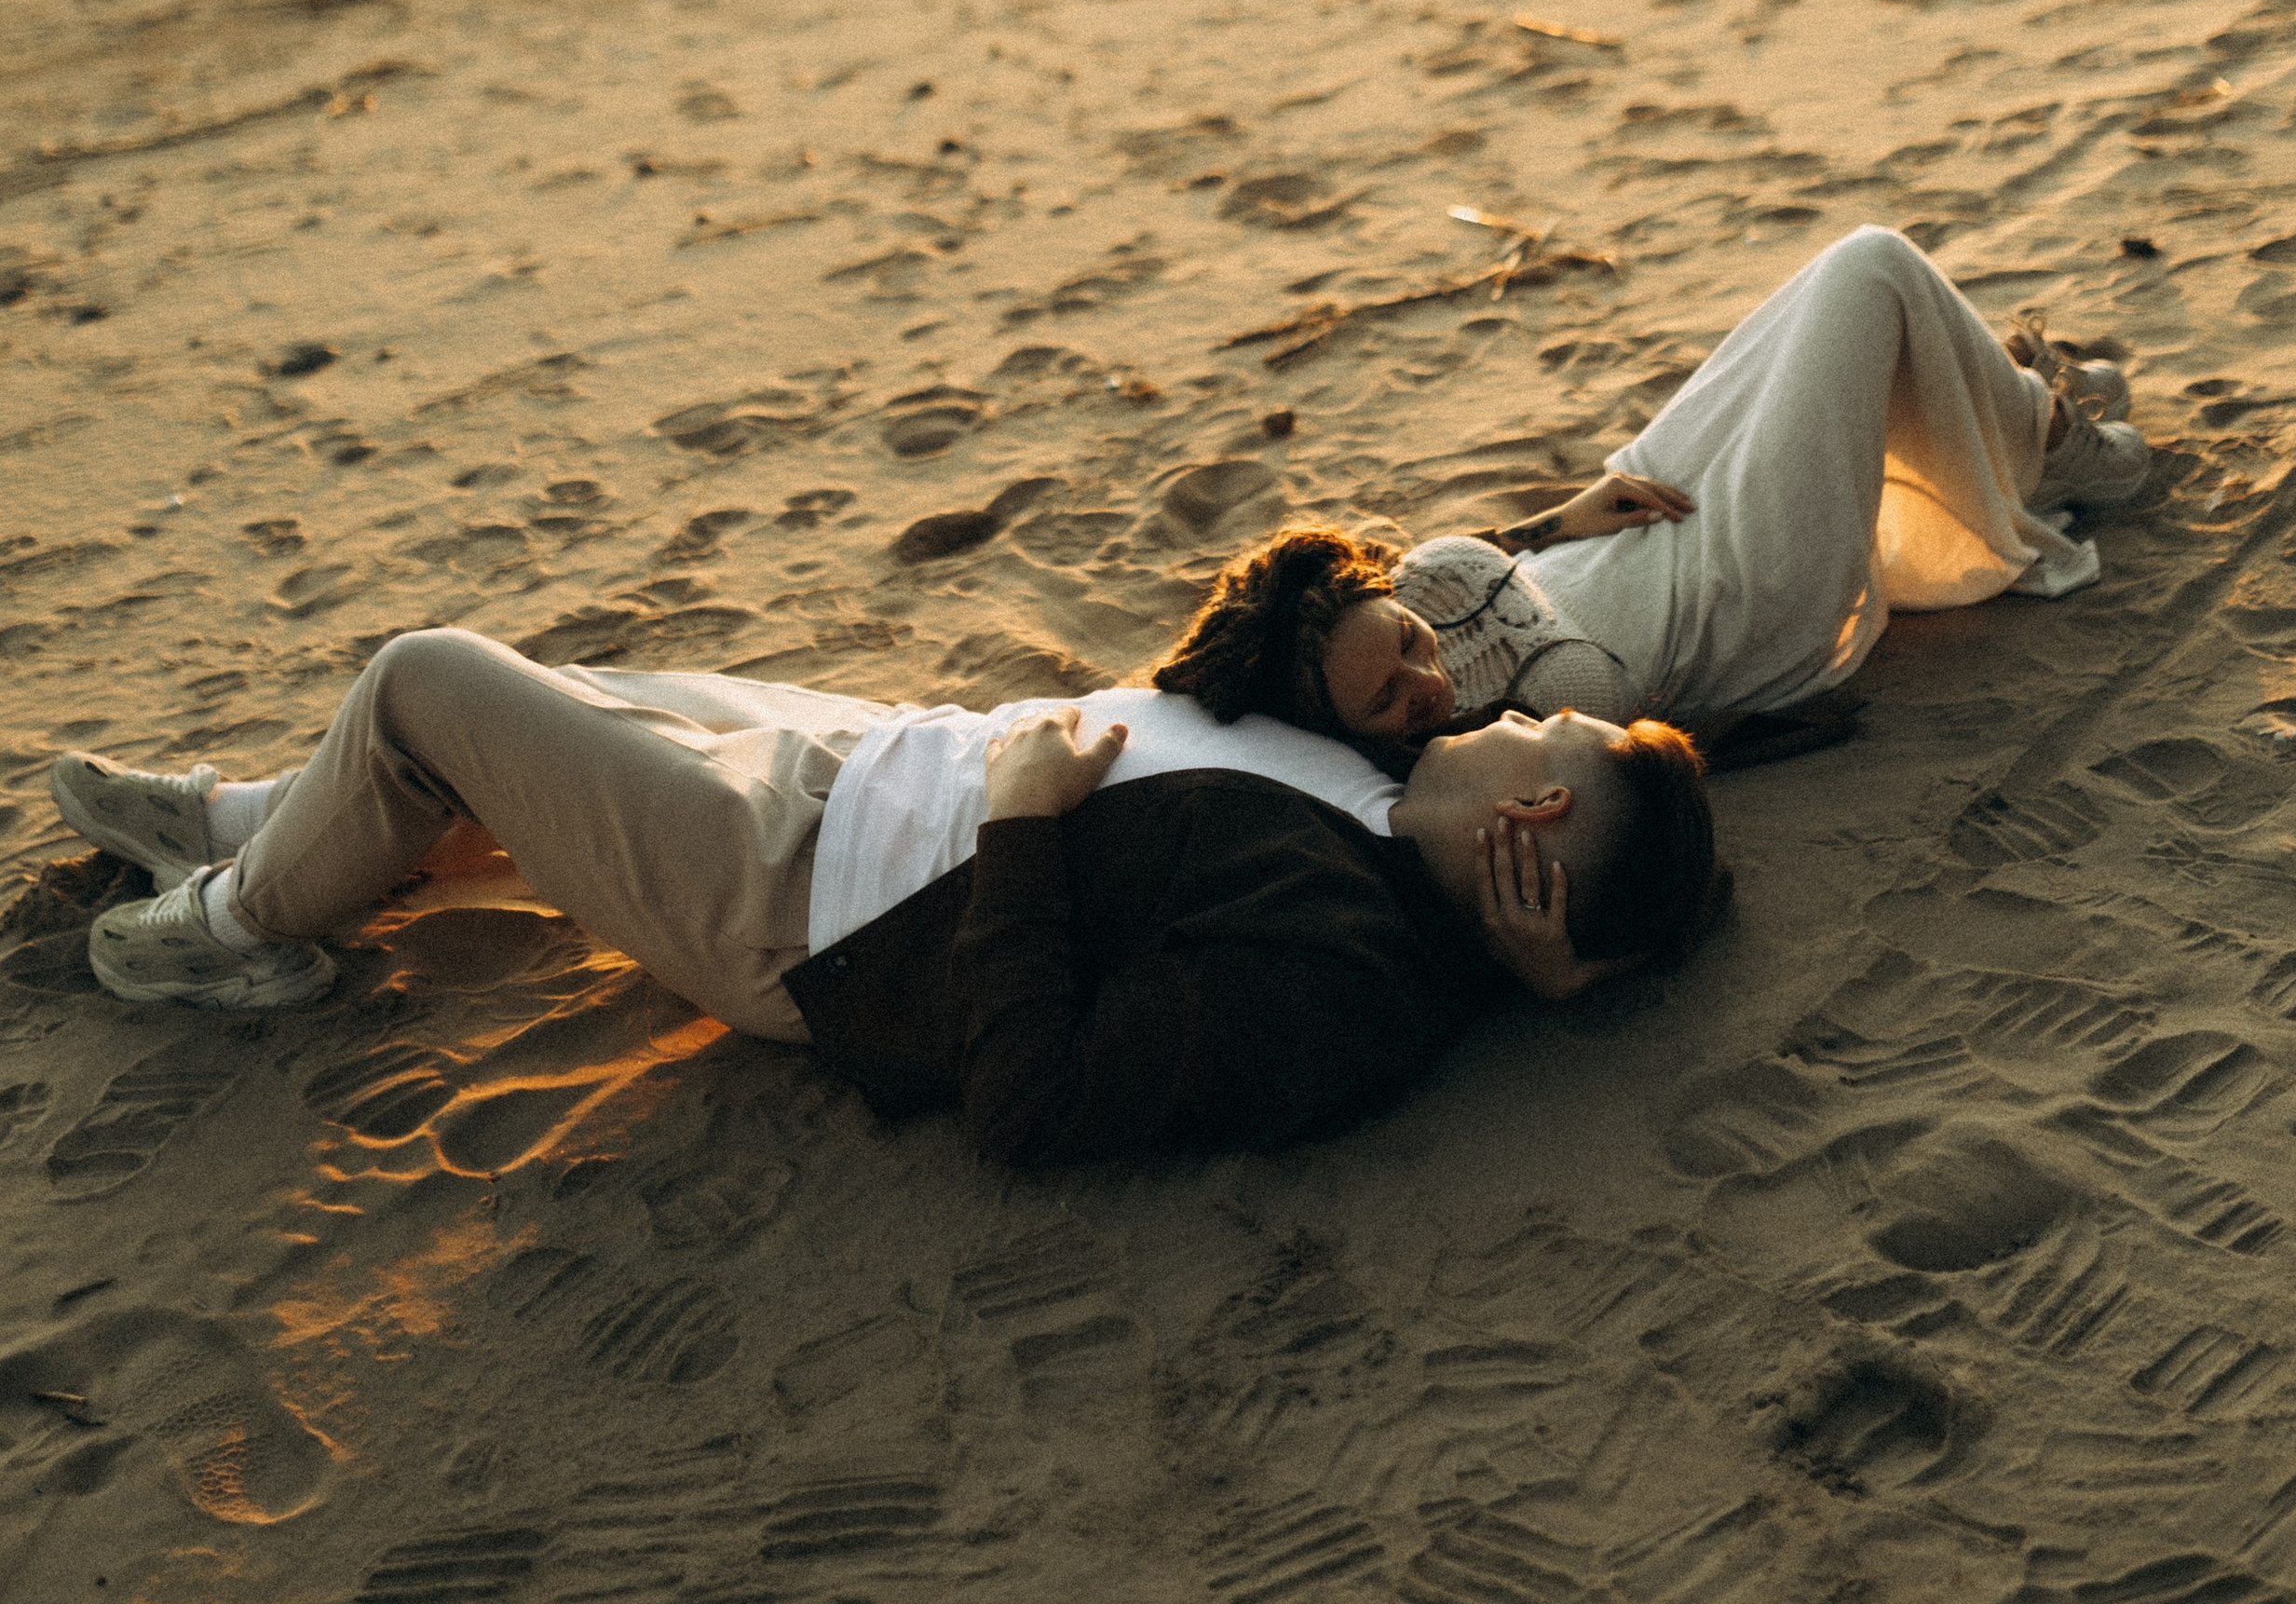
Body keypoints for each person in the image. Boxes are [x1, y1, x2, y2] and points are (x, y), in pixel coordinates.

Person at [48, 630, 1719, 1163]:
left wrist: (1021, 819)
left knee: (431, 685)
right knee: (567, 691)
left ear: (1543, 804)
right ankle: (271, 821)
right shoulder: (1380, 771)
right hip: (868, 762)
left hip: (810, 893)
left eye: (1541, 729)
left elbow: (1032, 1094)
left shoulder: (1351, 964)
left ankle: (235, 931)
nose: (1509, 707)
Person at [1155, 224, 2152, 757]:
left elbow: (1472, 570)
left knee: (1817, 318)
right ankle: (2049, 433)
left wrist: (1555, 522)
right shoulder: (1459, 755)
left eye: (1407, 644)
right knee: (1869, 268)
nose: (1421, 683)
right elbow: (1657, 764)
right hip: (1747, 593)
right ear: (1341, 728)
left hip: (1647, 519)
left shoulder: (1371, 624)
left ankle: (2023, 412)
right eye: (1386, 700)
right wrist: (1779, 735)